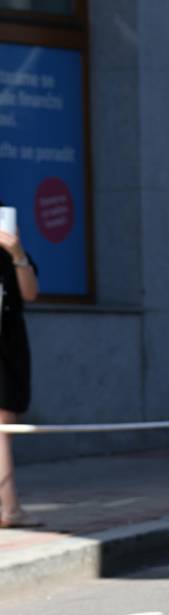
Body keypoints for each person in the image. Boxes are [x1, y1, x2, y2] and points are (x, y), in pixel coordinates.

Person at [0, 212, 39, 528]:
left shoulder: (11, 254)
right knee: (2, 425)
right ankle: (10, 508)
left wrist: (17, 254)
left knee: (6, 424)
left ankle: (9, 507)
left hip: (8, 342)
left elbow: (30, 293)